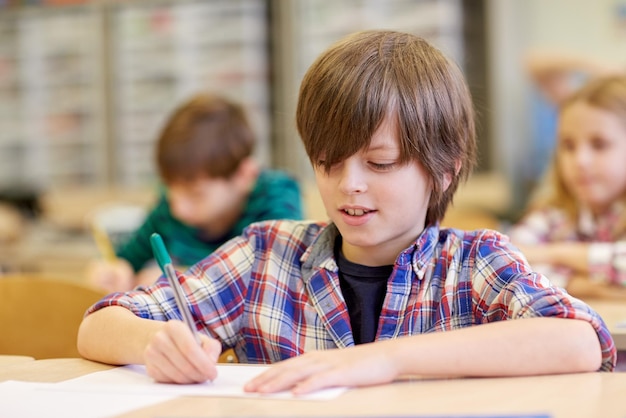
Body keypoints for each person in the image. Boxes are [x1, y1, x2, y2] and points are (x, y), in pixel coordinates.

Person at [77, 30, 615, 395]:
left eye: (379, 163)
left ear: (445, 169)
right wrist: (154, 344)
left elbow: (581, 340)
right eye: (328, 162)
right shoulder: (267, 255)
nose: (348, 186)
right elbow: (99, 325)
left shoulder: (473, 263)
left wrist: (387, 359)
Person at [86, 93, 303, 292]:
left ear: (244, 175)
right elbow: (125, 258)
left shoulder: (276, 196)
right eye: (168, 188)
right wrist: (113, 270)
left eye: (196, 195)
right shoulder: (169, 207)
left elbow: (277, 276)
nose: (178, 207)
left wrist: (183, 278)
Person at [510, 75, 626, 299]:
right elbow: (508, 262)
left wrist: (556, 254)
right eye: (568, 145)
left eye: (599, 144)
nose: (580, 160)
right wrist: (584, 286)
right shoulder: (552, 216)